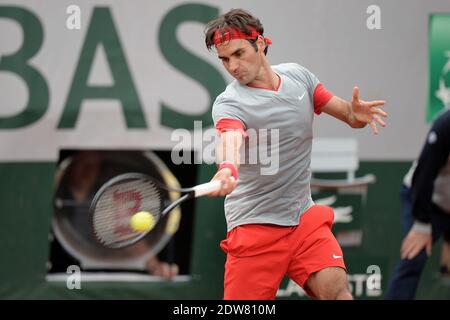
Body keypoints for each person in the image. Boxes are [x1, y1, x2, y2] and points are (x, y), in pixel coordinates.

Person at [204, 9, 387, 300]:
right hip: (255, 226)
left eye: (239, 53)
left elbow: (347, 114)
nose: (233, 66)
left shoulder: (299, 77)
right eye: (225, 59)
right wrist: (227, 168)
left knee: (336, 289)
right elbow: (230, 139)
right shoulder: (229, 103)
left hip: (302, 217)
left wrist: (356, 114)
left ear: (260, 43)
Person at [50, 151, 179, 280]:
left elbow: (123, 232)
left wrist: (154, 266)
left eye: (94, 164)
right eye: (83, 163)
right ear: (71, 165)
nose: (88, 170)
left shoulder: (108, 197)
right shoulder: (53, 191)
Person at [386, 109, 450, 299]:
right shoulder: (445, 125)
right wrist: (422, 224)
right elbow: (424, 175)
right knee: (414, 257)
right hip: (428, 202)